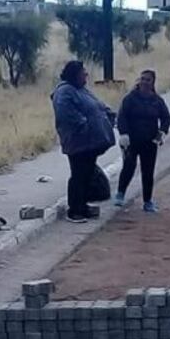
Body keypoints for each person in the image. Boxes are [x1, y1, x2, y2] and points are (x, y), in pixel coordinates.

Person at [51, 60, 116, 223]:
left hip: (89, 142)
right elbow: (66, 114)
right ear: (74, 74)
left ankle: (83, 206)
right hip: (78, 142)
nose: (86, 75)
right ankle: (75, 210)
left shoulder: (79, 89)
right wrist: (85, 125)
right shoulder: (65, 91)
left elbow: (95, 105)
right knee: (79, 175)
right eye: (83, 73)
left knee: (86, 174)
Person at [115, 69, 170, 212]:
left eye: (148, 80)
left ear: (153, 82)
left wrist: (162, 133)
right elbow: (122, 117)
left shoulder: (157, 100)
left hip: (150, 141)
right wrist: (124, 134)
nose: (145, 82)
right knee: (129, 166)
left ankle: (147, 201)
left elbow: (166, 118)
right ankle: (120, 193)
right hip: (132, 140)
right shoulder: (130, 98)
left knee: (148, 171)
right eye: (142, 79)